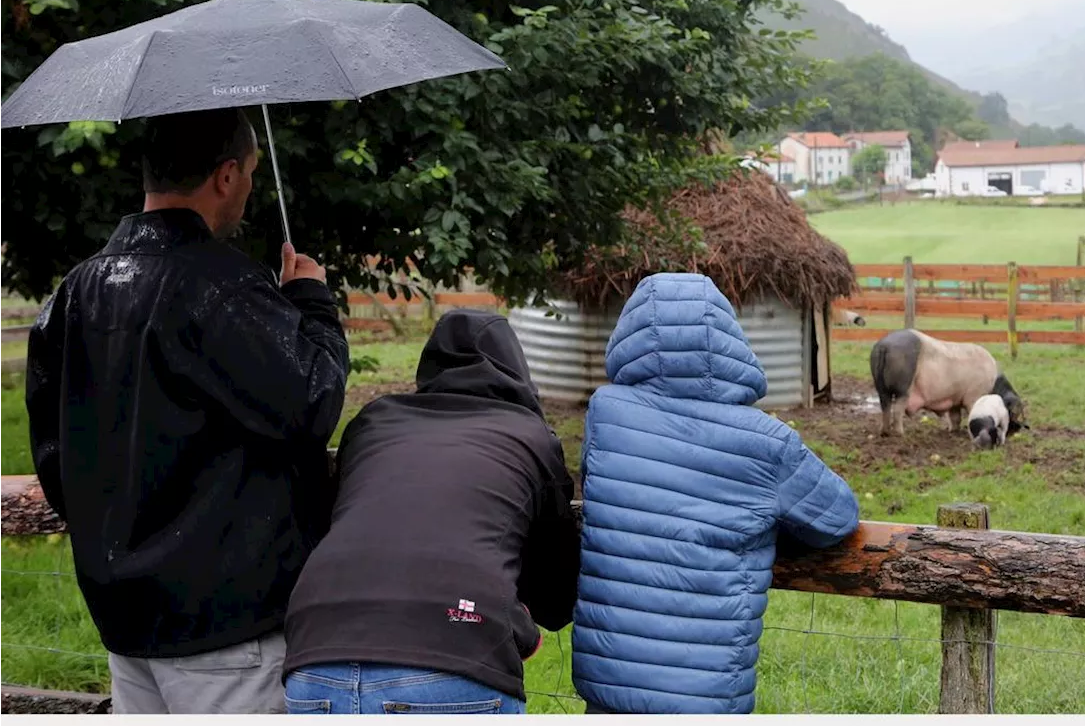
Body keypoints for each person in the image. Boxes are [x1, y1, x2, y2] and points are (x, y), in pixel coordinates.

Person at [25, 107, 350, 715]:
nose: (251, 188)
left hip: (121, 614)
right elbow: (314, 397)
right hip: (223, 626)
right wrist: (311, 299)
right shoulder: (219, 286)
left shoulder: (76, 291)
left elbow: (54, 455)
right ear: (226, 176)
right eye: (251, 173)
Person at [571, 272, 860, 714]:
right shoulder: (768, 442)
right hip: (705, 694)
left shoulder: (606, 415)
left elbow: (594, 476)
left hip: (611, 685)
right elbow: (838, 517)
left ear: (630, 334)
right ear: (727, 338)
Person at [283, 309, 581, 716]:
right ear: (516, 367)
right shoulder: (529, 435)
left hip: (314, 653)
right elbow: (555, 592)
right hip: (452, 653)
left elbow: (343, 521)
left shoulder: (373, 421)